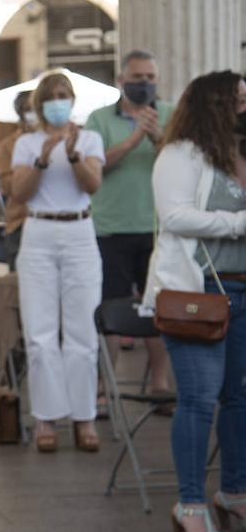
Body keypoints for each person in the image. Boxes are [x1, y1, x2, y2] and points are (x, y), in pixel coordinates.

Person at [142, 70, 246, 532]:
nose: (245, 107)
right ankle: (189, 503)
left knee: (240, 398)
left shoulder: (237, 153)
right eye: (239, 100)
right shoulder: (180, 154)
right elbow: (175, 215)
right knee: (200, 400)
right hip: (196, 294)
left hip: (242, 290)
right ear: (215, 105)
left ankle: (234, 490)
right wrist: (239, 223)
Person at [9, 71, 105, 453]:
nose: (58, 101)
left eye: (64, 94)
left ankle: (84, 418)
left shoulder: (90, 138)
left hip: (80, 231)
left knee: (82, 329)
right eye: (52, 95)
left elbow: (92, 184)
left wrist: (72, 153)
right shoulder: (26, 143)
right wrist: (44, 158)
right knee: (40, 330)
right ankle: (46, 417)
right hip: (39, 233)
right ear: (40, 104)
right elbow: (20, 192)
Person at [86, 50, 174, 398]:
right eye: (138, 78)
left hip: (157, 227)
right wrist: (134, 138)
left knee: (159, 310)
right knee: (112, 309)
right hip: (111, 228)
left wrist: (156, 137)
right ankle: (104, 387)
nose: (145, 84)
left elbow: (182, 162)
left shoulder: (169, 115)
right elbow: (95, 165)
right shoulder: (99, 119)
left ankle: (159, 384)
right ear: (121, 81)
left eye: (151, 78)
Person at [0, 90, 36, 269]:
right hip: (21, 223)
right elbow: (10, 187)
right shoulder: (8, 146)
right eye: (28, 109)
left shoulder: (64, 140)